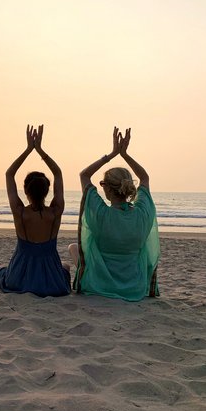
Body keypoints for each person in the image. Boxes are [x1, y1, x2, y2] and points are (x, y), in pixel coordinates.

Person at [69, 127, 160, 301]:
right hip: (134, 288)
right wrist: (124, 154)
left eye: (103, 184)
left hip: (100, 284)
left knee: (74, 247)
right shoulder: (141, 215)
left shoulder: (102, 215)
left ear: (108, 189)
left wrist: (111, 154)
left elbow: (84, 175)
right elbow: (145, 178)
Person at [0, 125, 71, 297]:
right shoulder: (55, 211)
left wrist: (28, 149)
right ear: (47, 191)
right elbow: (58, 173)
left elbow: (9, 174)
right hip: (52, 280)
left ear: (26, 191)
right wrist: (40, 150)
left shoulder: (20, 212)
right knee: (66, 266)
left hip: (19, 277)